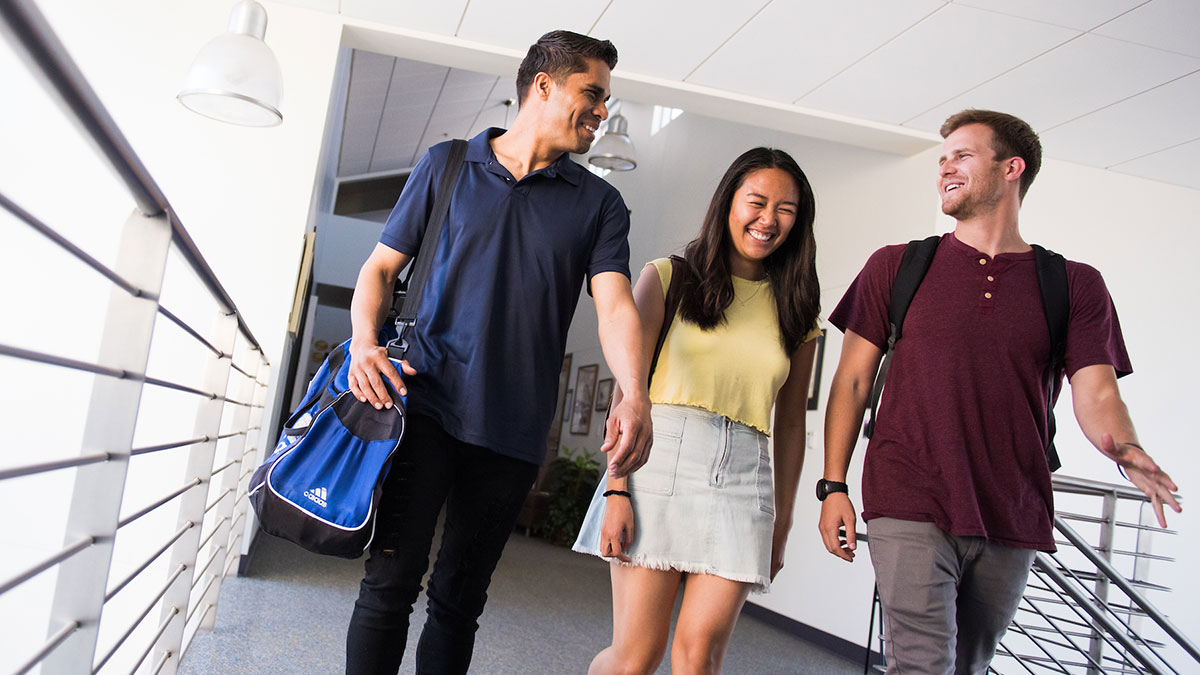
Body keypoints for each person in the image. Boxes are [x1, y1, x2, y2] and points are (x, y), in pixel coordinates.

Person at [817, 109, 1181, 674]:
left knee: (969, 665)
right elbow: (854, 381)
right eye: (942, 160)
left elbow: (1098, 392)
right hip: (909, 494)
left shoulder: (1072, 283)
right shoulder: (898, 265)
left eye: (961, 156)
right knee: (922, 662)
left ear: (1012, 168)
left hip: (1011, 509)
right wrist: (832, 484)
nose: (944, 169)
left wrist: (1125, 449)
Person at [343, 30, 654, 674]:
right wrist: (363, 345)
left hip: (512, 432)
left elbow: (616, 305)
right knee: (389, 586)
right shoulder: (448, 164)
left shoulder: (599, 204)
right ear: (543, 86)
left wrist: (634, 391)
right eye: (591, 94)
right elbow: (379, 270)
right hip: (421, 404)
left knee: (459, 602)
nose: (601, 112)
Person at [574, 147, 822, 674]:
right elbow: (627, 391)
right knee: (636, 656)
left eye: (786, 210)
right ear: (727, 202)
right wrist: (616, 488)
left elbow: (793, 425)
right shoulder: (668, 278)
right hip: (657, 466)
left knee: (700, 657)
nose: (768, 220)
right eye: (756, 202)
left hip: (745, 483)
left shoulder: (797, 307)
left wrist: (782, 521)